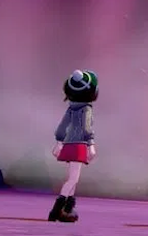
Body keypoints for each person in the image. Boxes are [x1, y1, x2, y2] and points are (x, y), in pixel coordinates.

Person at [48, 69, 98, 222]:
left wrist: (59, 142)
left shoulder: (71, 108)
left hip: (69, 144)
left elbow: (62, 127)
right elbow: (87, 128)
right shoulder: (86, 109)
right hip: (79, 145)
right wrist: (91, 144)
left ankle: (67, 209)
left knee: (72, 177)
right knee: (73, 179)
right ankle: (57, 210)